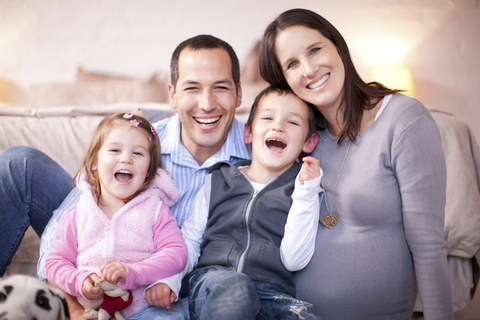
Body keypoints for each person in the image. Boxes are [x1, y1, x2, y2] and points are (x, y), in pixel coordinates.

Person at [0, 34, 251, 319]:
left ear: (239, 93)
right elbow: (66, 227)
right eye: (192, 88)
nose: (206, 104)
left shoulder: (261, 152)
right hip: (93, 270)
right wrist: (74, 304)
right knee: (18, 163)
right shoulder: (138, 142)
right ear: (172, 94)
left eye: (220, 88)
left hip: (173, 286)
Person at [259, 8, 454, 320]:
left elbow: (429, 249)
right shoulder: (301, 137)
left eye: (315, 50)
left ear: (338, 46)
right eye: (292, 64)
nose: (308, 69)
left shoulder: (403, 120)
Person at [160, 86, 323, 320]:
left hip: (272, 294)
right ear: (248, 133)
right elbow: (191, 241)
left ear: (309, 142)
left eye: (293, 123)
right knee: (234, 290)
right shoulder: (218, 180)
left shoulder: (302, 189)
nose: (278, 126)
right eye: (268, 117)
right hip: (215, 283)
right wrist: (170, 281)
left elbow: (293, 259)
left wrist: (306, 193)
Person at [45, 112, 188, 319]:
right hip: (93, 311)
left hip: (145, 309)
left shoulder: (155, 211)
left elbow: (176, 254)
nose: (126, 158)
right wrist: (80, 281)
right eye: (115, 150)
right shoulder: (76, 215)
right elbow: (55, 263)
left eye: (138, 153)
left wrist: (132, 273)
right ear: (94, 161)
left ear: (148, 170)